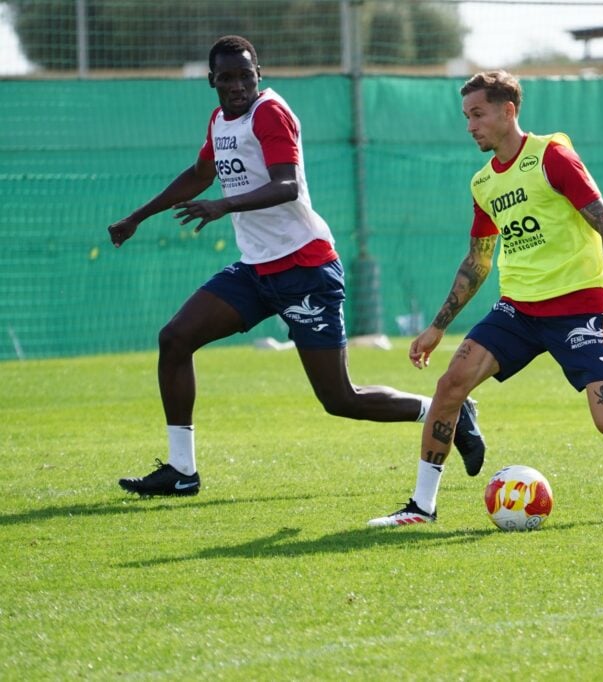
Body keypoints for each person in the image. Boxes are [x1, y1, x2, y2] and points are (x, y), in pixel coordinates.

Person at [108, 35, 485, 496]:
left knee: (340, 399)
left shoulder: (270, 112)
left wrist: (224, 206)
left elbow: (286, 185)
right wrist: (137, 217)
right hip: (256, 270)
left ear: (258, 75)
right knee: (175, 338)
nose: (237, 85)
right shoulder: (219, 121)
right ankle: (182, 471)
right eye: (226, 77)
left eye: (245, 76)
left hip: (305, 269)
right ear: (212, 81)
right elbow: (200, 173)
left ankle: (448, 410)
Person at [367, 70, 603, 527]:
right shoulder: (483, 183)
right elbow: (478, 260)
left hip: (578, 308)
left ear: (508, 111)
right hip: (518, 310)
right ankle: (422, 507)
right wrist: (438, 326)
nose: (470, 126)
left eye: (478, 114)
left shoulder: (552, 158)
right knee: (450, 385)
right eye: (466, 117)